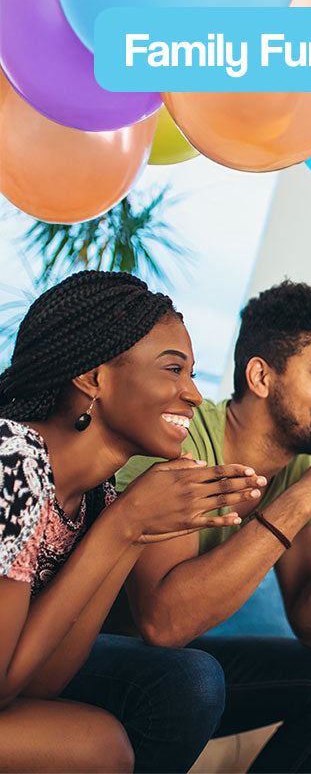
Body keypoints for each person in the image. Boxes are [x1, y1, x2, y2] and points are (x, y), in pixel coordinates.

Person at [76, 280, 311, 774]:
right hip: (84, 650)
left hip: (161, 662)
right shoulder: (181, 439)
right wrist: (297, 503)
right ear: (261, 377)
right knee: (194, 677)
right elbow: (164, 625)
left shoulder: (291, 465)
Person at [0, 271, 262, 772]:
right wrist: (122, 528)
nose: (193, 394)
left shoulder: (97, 494)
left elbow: (45, 683)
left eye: (191, 374)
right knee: (98, 746)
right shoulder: (14, 460)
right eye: (172, 369)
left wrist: (133, 529)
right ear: (93, 378)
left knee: (160, 699)